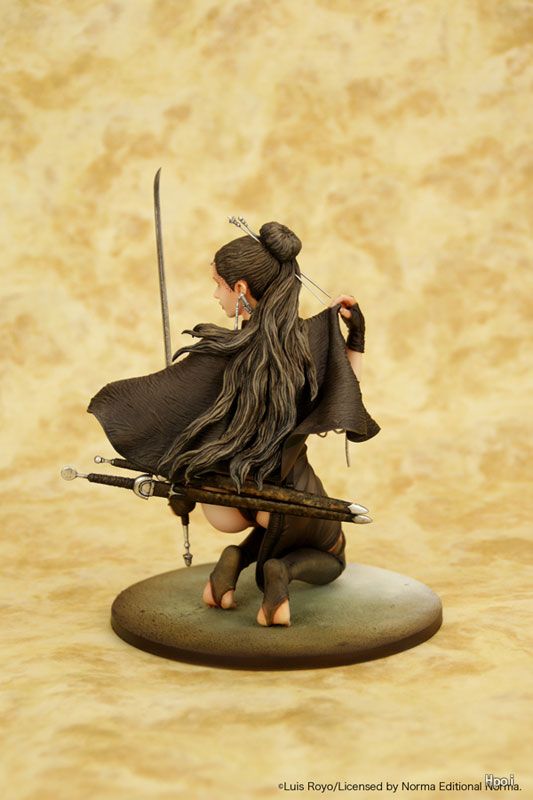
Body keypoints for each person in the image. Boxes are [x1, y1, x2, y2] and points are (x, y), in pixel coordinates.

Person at [88, 221, 379, 627]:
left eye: (218, 284)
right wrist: (355, 335)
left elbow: (180, 411)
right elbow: (346, 392)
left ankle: (236, 560)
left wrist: (176, 472)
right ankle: (282, 574)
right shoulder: (305, 341)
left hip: (227, 497)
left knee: (275, 533)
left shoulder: (223, 351)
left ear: (241, 288)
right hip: (290, 487)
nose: (215, 295)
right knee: (333, 556)